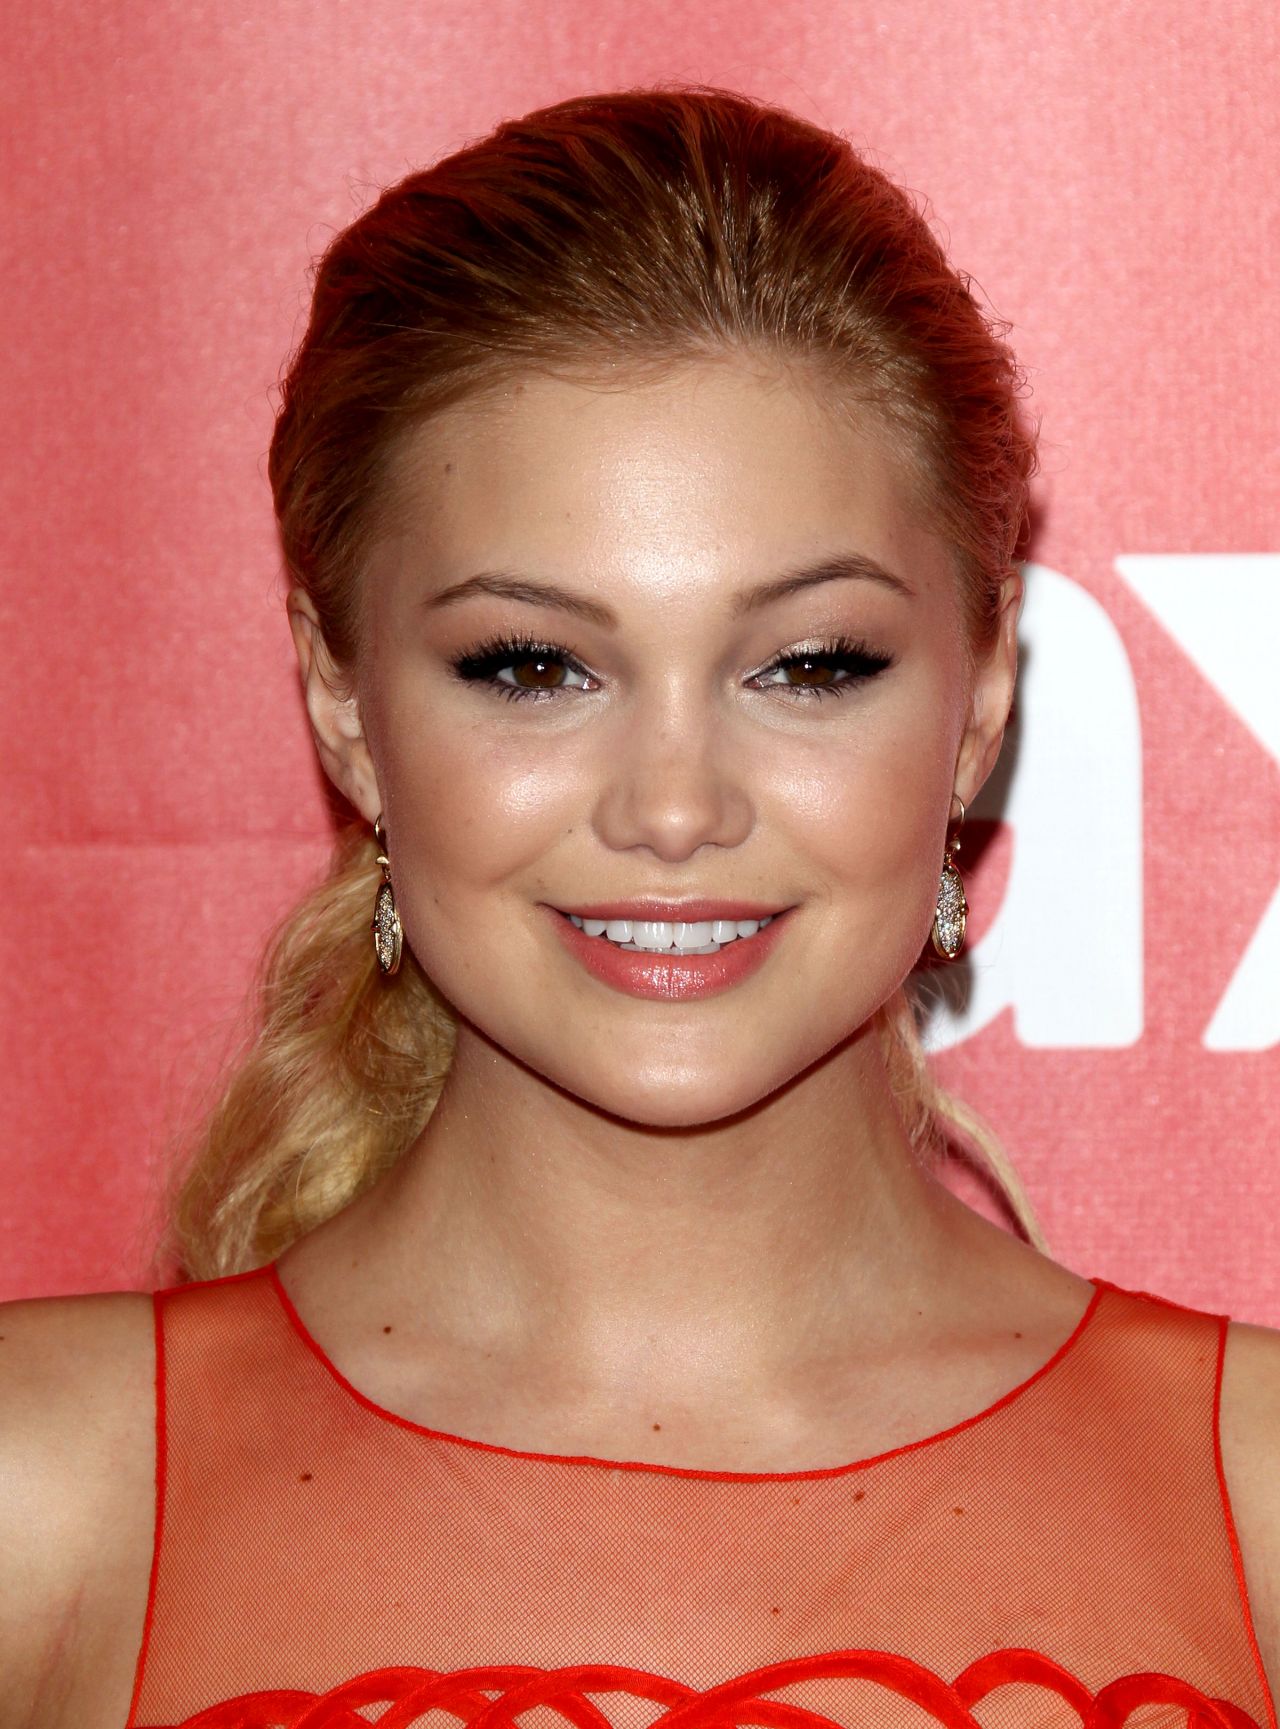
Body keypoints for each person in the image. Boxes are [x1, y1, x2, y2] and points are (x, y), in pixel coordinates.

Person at [2, 86, 1277, 1729]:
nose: (674, 807)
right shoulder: (49, 1501)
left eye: (809, 664)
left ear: (979, 702)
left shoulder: (1255, 1505)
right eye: (533, 665)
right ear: (341, 701)